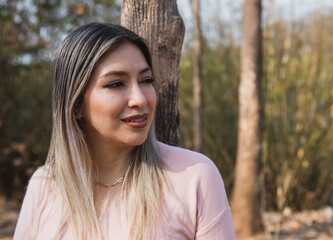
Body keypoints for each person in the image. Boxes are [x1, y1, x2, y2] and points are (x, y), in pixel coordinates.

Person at [13, 22, 236, 240]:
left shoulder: (195, 177)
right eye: (116, 84)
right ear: (76, 104)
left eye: (146, 80)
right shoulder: (44, 186)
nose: (140, 99)